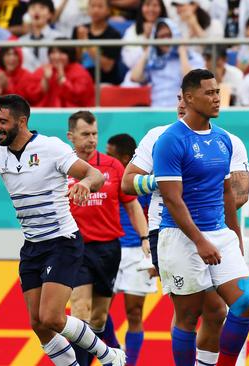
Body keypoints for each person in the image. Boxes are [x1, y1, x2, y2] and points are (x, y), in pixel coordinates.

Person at [0, 94, 126, 366]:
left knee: (52, 318)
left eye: (2, 121)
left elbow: (93, 174)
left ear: (22, 122)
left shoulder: (51, 147)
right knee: (39, 324)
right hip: (33, 246)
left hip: (62, 242)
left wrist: (85, 184)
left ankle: (109, 355)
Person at [121, 87, 249, 365]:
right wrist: (163, 181)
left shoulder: (228, 140)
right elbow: (127, 183)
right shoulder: (159, 137)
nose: (182, 104)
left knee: (223, 311)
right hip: (166, 231)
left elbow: (238, 193)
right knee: (195, 312)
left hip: (215, 229)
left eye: (188, 97)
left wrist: (204, 199)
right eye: (180, 97)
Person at [152, 69, 249, 366]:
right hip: (181, 238)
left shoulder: (223, 139)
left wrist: (233, 235)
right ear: (188, 97)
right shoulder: (171, 140)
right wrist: (199, 241)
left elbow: (226, 193)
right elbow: (172, 198)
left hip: (219, 232)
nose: (216, 98)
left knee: (245, 303)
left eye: (217, 91)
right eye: (209, 93)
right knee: (188, 316)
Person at [66, 111, 148, 365]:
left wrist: (145, 237)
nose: (91, 140)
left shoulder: (113, 167)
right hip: (74, 247)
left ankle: (109, 357)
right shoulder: (62, 166)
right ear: (71, 137)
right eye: (85, 134)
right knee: (80, 311)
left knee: (99, 319)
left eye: (94, 134)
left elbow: (133, 206)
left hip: (108, 249)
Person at [107, 133, 156, 366]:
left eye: (111, 155)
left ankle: (130, 364)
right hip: (109, 248)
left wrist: (153, 251)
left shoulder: (144, 181)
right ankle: (116, 352)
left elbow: (155, 215)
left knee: (134, 313)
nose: (107, 159)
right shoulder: (104, 179)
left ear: (125, 158)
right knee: (98, 311)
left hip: (139, 252)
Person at [129, 18, 205, 107]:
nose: (166, 40)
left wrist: (182, 51)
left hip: (183, 113)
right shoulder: (154, 61)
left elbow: (191, 81)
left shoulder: (192, 57)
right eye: (161, 37)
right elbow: (135, 77)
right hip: (157, 112)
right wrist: (148, 50)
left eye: (169, 36)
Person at [25, 41, 95, 107]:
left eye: (61, 53)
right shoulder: (42, 70)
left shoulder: (80, 72)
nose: (57, 57)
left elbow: (79, 97)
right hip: (46, 116)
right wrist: (45, 80)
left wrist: (63, 80)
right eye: (53, 52)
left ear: (70, 55)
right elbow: (31, 97)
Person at [19, 0, 64, 72]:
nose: (37, 11)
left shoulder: (59, 38)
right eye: (33, 8)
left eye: (42, 8)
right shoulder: (20, 41)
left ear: (50, 14)